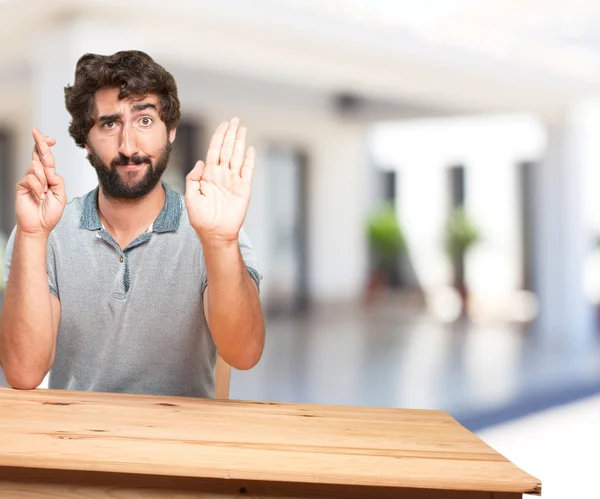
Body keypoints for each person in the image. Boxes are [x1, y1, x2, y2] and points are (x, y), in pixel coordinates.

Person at [0, 50, 265, 398]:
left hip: (183, 446)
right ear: (86, 142)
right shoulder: (46, 231)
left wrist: (220, 242)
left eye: (144, 121)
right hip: (76, 444)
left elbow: (244, 355)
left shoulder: (212, 229)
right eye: (109, 124)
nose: (128, 147)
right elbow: (23, 373)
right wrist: (33, 235)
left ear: (170, 131)